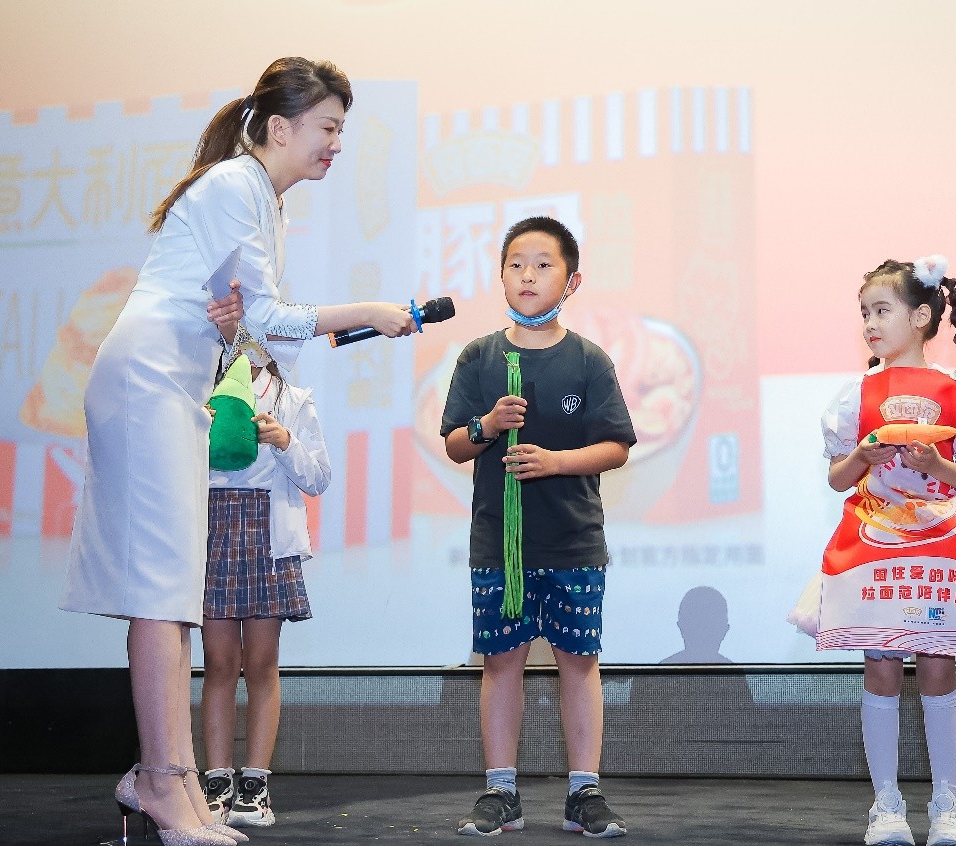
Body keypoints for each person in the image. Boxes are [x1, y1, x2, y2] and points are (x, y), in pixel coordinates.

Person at [61, 57, 416, 846]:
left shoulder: (259, 197)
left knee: (173, 589)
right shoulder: (234, 185)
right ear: (280, 128)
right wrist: (370, 310)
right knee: (162, 588)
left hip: (174, 384)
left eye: (340, 130)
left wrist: (243, 329)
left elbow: (246, 325)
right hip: (149, 380)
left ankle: (172, 780)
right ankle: (163, 782)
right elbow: (270, 316)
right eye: (327, 128)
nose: (335, 145)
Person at [790, 256, 956, 846]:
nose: (870, 323)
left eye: (882, 310)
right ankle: (886, 806)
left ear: (920, 317)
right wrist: (861, 458)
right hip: (875, 544)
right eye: (864, 313)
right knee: (881, 666)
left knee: (939, 668)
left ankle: (947, 808)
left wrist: (938, 466)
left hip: (940, 545)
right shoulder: (857, 394)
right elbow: (838, 479)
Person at [440, 217, 636, 838]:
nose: (528, 275)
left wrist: (554, 463)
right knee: (501, 664)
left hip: (574, 539)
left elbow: (616, 446)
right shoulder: (479, 356)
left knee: (579, 662)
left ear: (572, 281)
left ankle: (584, 793)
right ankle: (501, 792)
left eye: (544, 265)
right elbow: (454, 443)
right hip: (499, 543)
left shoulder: (589, 359)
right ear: (501, 275)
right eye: (516, 264)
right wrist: (487, 426)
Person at [199, 355, 330, 829]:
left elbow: (318, 478)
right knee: (218, 663)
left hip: (268, 531)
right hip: (211, 526)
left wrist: (285, 441)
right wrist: (196, 428)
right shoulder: (198, 388)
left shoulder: (293, 400)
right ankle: (216, 782)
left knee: (260, 663)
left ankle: (255, 785)